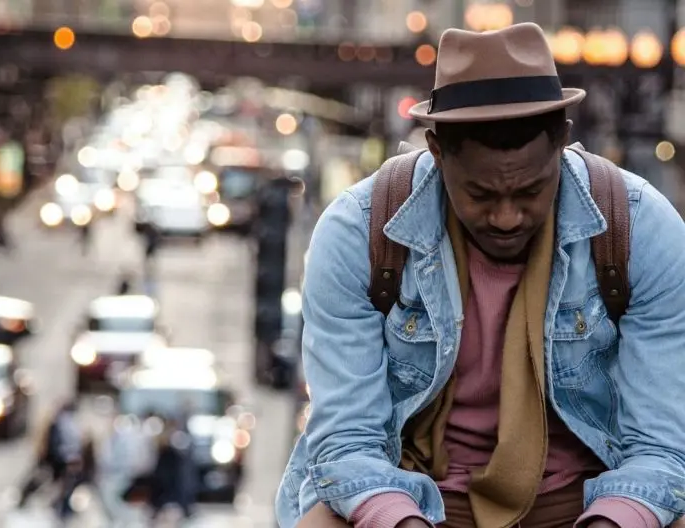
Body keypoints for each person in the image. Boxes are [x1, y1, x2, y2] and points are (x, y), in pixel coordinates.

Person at [276, 23, 685, 528]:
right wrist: (400, 520)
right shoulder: (357, 233)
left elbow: (662, 449)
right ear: (436, 150)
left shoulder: (641, 228)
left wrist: (612, 521)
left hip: (591, 499)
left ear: (562, 141)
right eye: (482, 195)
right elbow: (346, 442)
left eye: (530, 191)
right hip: (409, 494)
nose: (507, 217)